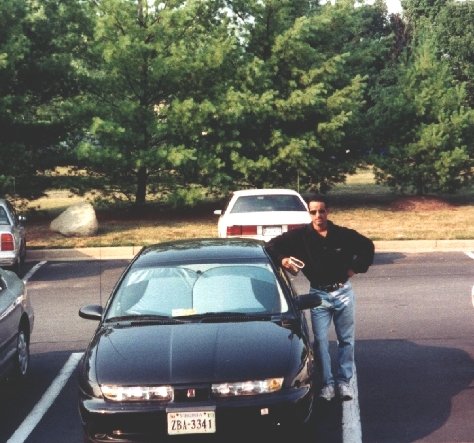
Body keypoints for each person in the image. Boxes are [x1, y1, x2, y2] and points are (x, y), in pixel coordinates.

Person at [266, 193, 374, 401]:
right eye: (313, 212)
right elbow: (270, 246)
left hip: (343, 292)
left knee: (346, 339)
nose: (318, 216)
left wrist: (354, 269)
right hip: (318, 295)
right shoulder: (300, 236)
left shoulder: (342, 234)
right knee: (321, 341)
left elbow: (367, 246)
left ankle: (344, 382)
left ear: (328, 212)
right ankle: (327, 384)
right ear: (309, 213)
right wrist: (284, 259)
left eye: (321, 211)